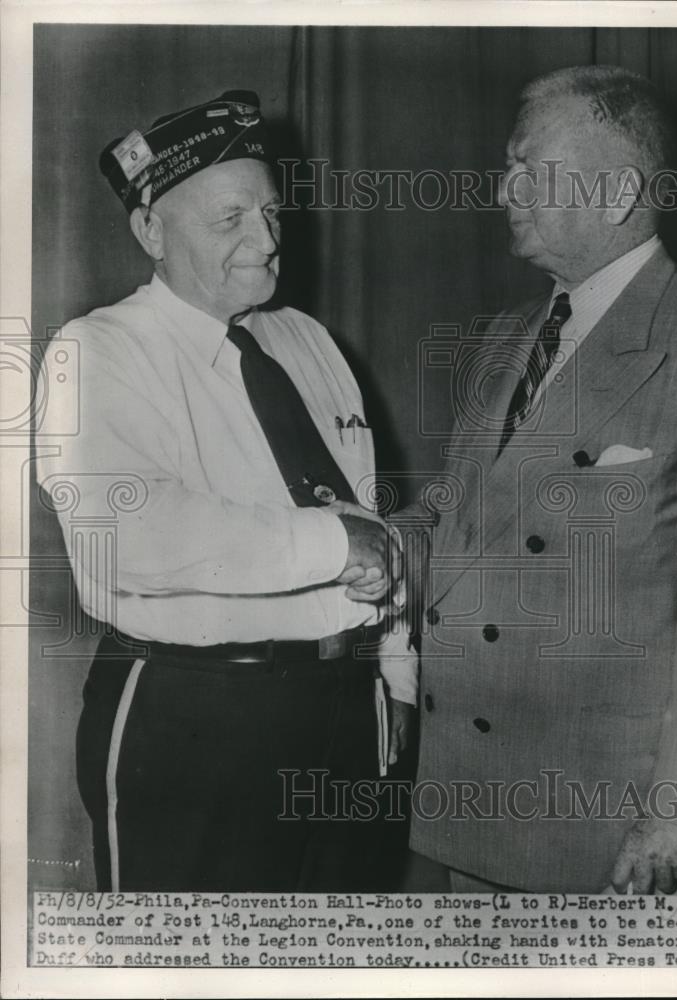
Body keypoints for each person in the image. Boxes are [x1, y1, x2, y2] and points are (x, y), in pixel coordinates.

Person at [36, 90, 416, 892]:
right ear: (150, 231)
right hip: (194, 716)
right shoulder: (100, 350)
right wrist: (331, 544)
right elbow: (129, 534)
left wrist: (394, 673)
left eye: (272, 215)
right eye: (229, 219)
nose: (266, 241)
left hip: (346, 710)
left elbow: (370, 524)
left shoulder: (307, 340)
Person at [409, 65, 677, 894]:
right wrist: (387, 545)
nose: (505, 188)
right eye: (507, 165)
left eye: (532, 168)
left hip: (604, 820)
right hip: (470, 796)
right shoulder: (506, 337)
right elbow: (461, 521)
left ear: (616, 192)